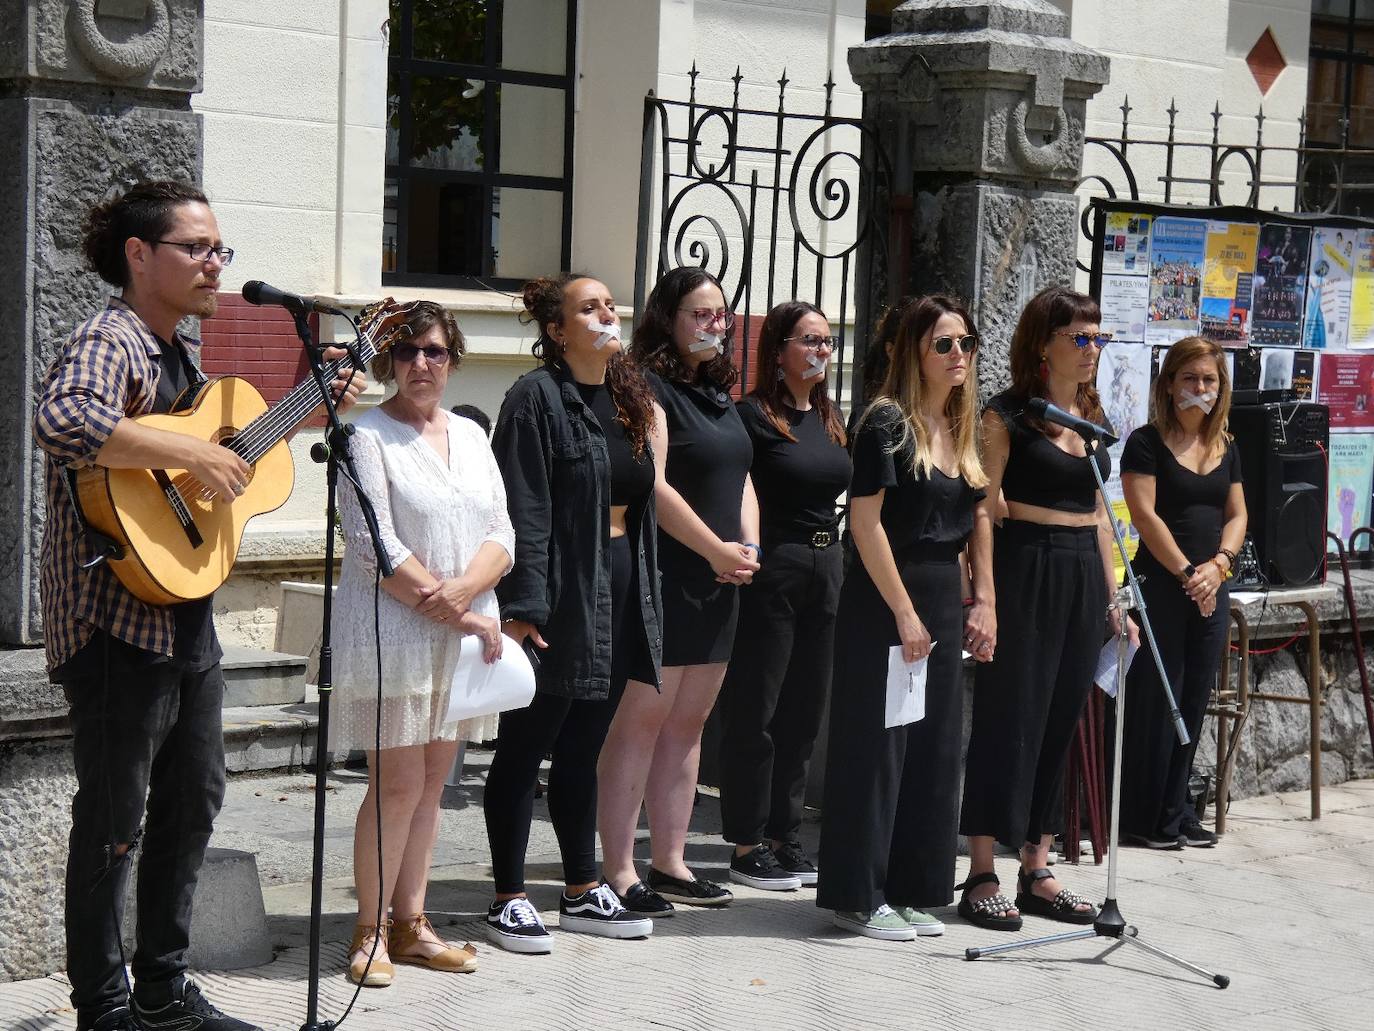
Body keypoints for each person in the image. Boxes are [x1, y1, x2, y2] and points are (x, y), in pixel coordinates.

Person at [34, 181, 365, 1031]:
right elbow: (65, 418)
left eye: (223, 250)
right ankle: (103, 1008)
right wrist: (191, 451)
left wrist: (305, 411)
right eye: (199, 248)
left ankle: (162, 989)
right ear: (140, 255)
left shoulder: (179, 354)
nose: (218, 264)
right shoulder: (112, 339)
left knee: (194, 802)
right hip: (114, 622)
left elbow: (219, 462)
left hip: (185, 614)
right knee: (113, 822)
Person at [331, 301, 513, 987]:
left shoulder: (470, 434)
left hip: (460, 628)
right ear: (388, 362)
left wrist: (467, 592)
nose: (421, 364)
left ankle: (412, 922)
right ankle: (369, 931)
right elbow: (376, 545)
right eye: (407, 352)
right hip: (394, 631)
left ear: (453, 357)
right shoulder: (364, 437)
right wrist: (453, 606)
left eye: (434, 351)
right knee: (396, 782)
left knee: (435, 781)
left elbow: (503, 530)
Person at [485, 273, 662, 951]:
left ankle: (583, 889)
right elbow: (521, 505)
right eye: (588, 307)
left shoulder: (627, 395)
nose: (606, 314)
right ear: (556, 331)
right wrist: (523, 604)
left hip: (617, 584)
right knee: (527, 746)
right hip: (559, 591)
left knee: (585, 747)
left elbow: (646, 494)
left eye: (609, 304)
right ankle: (508, 895)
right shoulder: (534, 398)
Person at [958, 285, 1132, 931]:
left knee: (1063, 717)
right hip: (1026, 562)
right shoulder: (1007, 416)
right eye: (1079, 338)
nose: (1091, 350)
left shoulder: (1092, 417)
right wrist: (987, 599)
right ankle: (980, 870)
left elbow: (1101, 514)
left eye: (1098, 339)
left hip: (1083, 571)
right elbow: (983, 506)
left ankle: (1037, 863)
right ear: (1042, 344)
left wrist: (1114, 592)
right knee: (1010, 716)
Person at [816, 295, 989, 940]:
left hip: (942, 592)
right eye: (943, 344)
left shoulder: (960, 426)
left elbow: (973, 524)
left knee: (934, 748)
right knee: (878, 746)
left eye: (965, 343)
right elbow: (865, 524)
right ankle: (860, 895)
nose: (958, 356)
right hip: (891, 596)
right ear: (914, 351)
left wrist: (981, 601)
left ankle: (912, 886)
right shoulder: (887, 422)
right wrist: (906, 615)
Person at [600, 267, 759, 911]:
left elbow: (743, 478)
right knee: (640, 725)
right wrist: (716, 549)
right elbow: (654, 486)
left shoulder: (721, 396)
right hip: (669, 572)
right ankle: (617, 869)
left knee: (688, 727)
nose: (713, 326)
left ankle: (671, 861)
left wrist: (747, 546)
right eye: (700, 314)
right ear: (668, 319)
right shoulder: (648, 389)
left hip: (721, 579)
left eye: (720, 315)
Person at [717, 301, 851, 891]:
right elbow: (733, 490)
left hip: (828, 565)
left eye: (827, 342)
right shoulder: (752, 416)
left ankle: (783, 834)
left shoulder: (829, 417)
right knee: (760, 707)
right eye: (809, 341)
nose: (821, 351)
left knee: (806, 707)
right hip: (777, 565)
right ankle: (747, 842)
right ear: (778, 351)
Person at [1119, 336, 1247, 849]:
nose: (1200, 388)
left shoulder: (1228, 446)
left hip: (1211, 587)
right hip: (1164, 586)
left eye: (1209, 380)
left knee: (1193, 699)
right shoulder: (1145, 442)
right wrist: (1190, 575)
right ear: (1170, 383)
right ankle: (1146, 816)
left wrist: (1219, 566)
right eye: (1190, 378)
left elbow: (1237, 516)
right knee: (1158, 698)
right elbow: (1145, 516)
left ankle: (1177, 810)